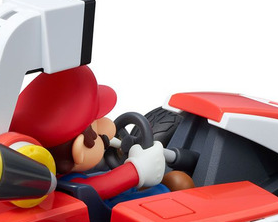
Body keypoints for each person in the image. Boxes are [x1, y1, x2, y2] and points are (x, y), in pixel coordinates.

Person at [10, 66, 165, 200]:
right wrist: (138, 168)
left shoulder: (50, 177)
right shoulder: (74, 185)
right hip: (108, 210)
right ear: (79, 151)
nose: (109, 127)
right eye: (97, 127)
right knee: (165, 188)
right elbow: (101, 187)